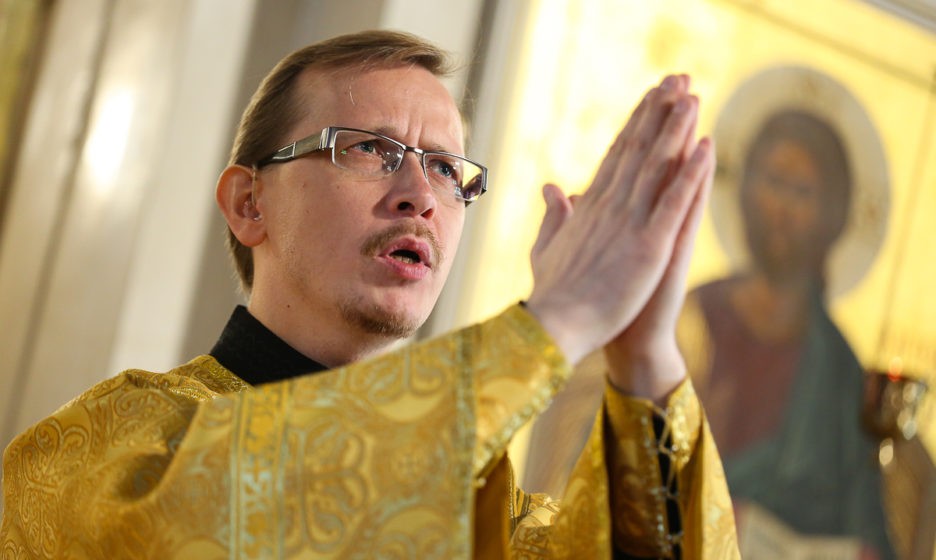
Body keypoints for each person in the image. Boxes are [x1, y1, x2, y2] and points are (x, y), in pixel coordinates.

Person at [0, 30, 738, 559]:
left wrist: (645, 357)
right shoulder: (113, 447)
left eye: (446, 168)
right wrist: (556, 322)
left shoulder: (485, 516)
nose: (421, 194)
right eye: (369, 149)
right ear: (250, 203)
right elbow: (210, 526)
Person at [681, 110, 895, 558]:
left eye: (802, 192)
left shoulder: (840, 371)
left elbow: (867, 527)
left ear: (832, 215)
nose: (782, 208)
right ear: (745, 189)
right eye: (774, 182)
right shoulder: (692, 321)